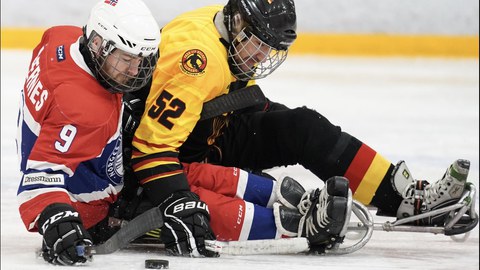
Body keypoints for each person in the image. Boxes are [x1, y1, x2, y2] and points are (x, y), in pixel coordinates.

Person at [122, 0, 476, 257]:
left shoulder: (224, 30)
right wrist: (177, 200)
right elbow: (151, 149)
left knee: (303, 127)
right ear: (239, 22)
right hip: (179, 158)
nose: (261, 57)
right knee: (265, 181)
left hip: (206, 130)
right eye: (259, 45)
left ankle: (408, 200)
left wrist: (293, 131)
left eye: (269, 49)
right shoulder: (196, 61)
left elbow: (227, 99)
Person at [16, 0, 160, 265]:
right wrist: (57, 217)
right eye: (127, 59)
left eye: (140, 60)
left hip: (89, 153)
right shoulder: (83, 112)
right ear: (96, 44)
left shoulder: (61, 36)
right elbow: (38, 180)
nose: (134, 71)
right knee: (187, 208)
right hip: (97, 210)